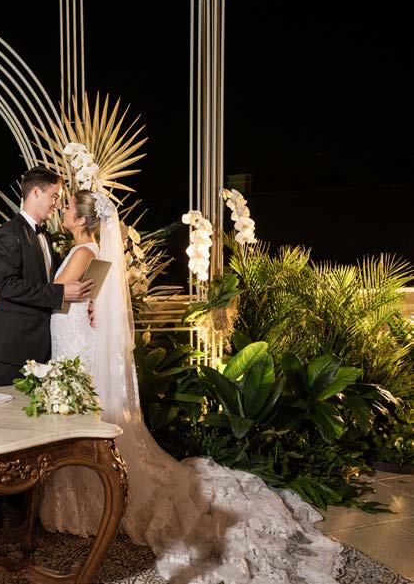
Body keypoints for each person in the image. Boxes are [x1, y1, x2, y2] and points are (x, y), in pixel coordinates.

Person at [39, 176, 342, 584]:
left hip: (73, 346)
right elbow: (90, 302)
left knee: (79, 423)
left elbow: (55, 295)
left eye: (66, 207)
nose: (62, 211)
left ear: (80, 219)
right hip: (77, 343)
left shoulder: (81, 252)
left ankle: (86, 502)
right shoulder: (94, 251)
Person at [0, 166, 93, 386]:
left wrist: (92, 305)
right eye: (54, 196)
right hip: (16, 348)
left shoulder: (46, 236)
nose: (57, 204)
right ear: (36, 192)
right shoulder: (7, 233)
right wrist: (60, 293)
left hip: (47, 347)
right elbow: (7, 286)